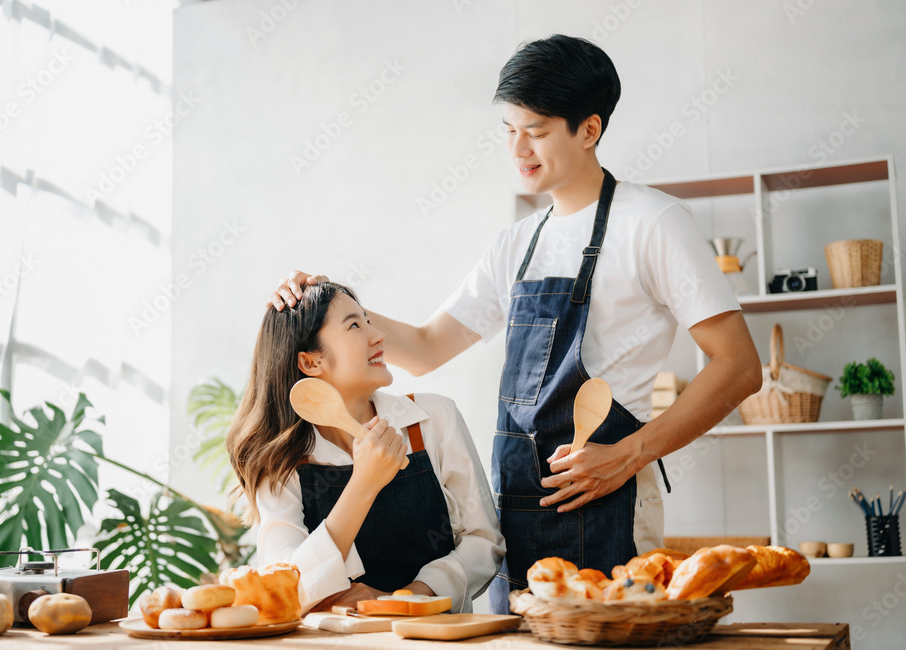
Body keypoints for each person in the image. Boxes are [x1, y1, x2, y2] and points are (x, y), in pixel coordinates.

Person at [269, 35, 761, 613]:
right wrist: (324, 302)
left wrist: (628, 454)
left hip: (609, 499)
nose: (518, 147)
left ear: (589, 129)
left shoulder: (652, 222)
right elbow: (426, 349)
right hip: (521, 509)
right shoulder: (518, 244)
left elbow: (739, 367)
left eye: (537, 130)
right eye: (508, 129)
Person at [227, 281, 504, 615]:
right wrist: (364, 483)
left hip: (431, 640)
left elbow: (484, 541)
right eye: (355, 325)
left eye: (368, 321)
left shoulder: (432, 419)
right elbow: (286, 587)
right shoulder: (279, 461)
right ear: (311, 363)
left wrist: (408, 598)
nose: (378, 336)